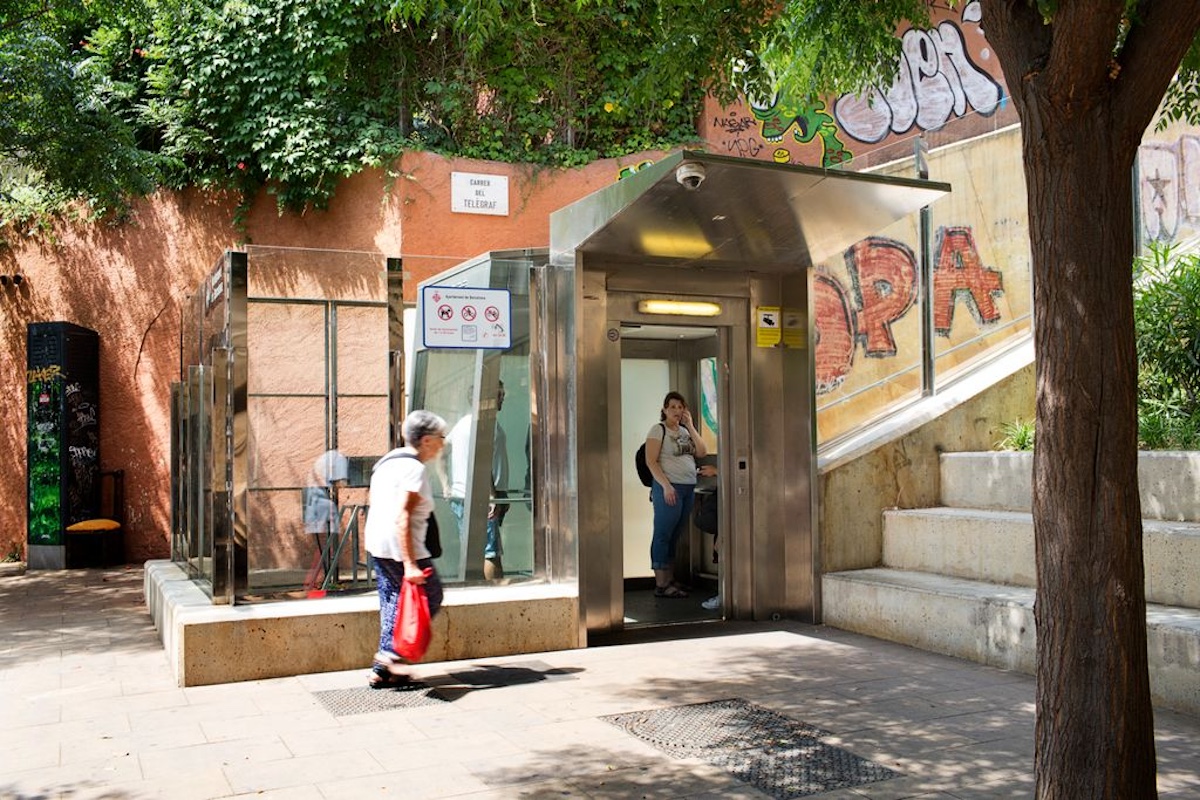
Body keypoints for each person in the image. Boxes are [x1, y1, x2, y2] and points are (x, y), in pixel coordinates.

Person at [363, 410, 447, 689]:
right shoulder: (414, 469)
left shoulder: (387, 462)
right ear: (426, 440)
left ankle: (382, 670)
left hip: (378, 543)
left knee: (393, 600)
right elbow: (404, 516)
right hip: (404, 548)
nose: (443, 444)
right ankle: (390, 656)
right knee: (430, 595)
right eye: (440, 438)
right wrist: (410, 564)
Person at [645, 391, 707, 597]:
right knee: (663, 533)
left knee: (675, 534)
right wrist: (666, 486)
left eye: (680, 407)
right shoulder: (658, 430)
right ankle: (661, 584)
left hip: (687, 488)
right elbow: (651, 461)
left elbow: (702, 451)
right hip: (669, 488)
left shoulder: (684, 431)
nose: (677, 411)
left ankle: (670, 579)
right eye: (672, 407)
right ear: (664, 409)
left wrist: (690, 426)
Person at [445, 380, 509, 580]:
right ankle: (493, 595)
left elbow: (442, 451)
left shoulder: (463, 424)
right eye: (499, 394)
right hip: (481, 498)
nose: (503, 398)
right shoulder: (482, 424)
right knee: (490, 553)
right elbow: (481, 459)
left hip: (465, 496)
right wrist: (491, 495)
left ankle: (474, 589)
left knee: (474, 551)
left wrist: (446, 484)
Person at [303, 449, 349, 581]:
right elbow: (341, 483)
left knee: (322, 547)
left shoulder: (324, 459)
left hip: (314, 503)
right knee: (327, 546)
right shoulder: (338, 458)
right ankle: (316, 579)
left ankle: (315, 579)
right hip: (323, 504)